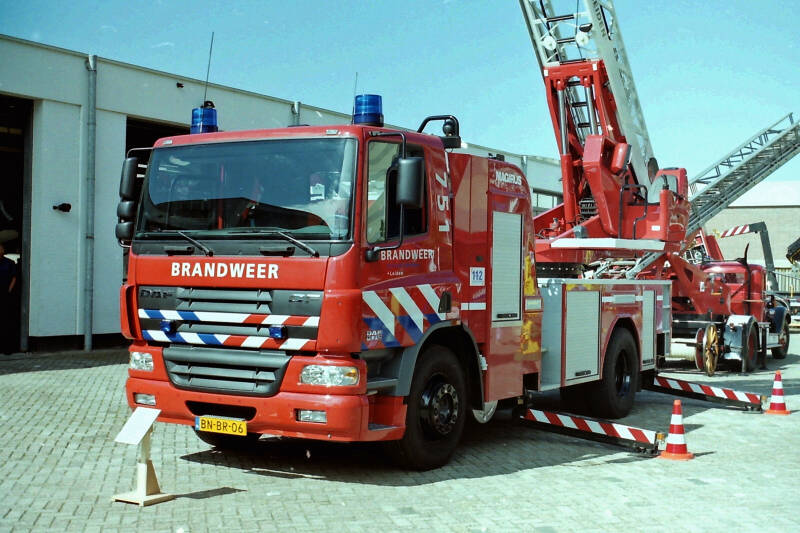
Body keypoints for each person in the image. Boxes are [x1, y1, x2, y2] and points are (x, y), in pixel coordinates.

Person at [0, 243, 18, 354]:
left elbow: (14, 277)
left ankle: (7, 348)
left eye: (0, 248)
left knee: (6, 321)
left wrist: (9, 290)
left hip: (5, 294)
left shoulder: (9, 263)